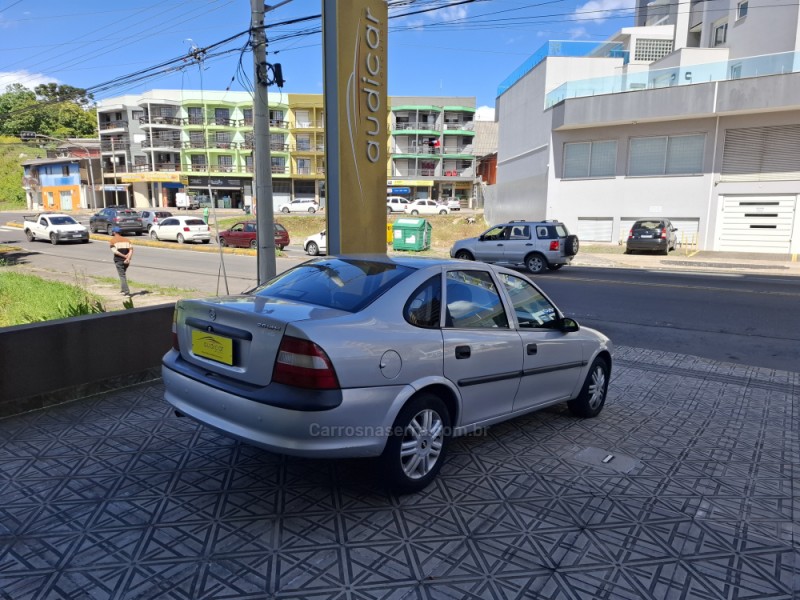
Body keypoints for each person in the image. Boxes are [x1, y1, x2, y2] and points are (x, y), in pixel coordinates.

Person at [109, 227, 133, 296]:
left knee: (122, 275)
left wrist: (124, 256)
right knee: (122, 275)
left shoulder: (112, 241)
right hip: (127, 261)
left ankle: (126, 292)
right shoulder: (127, 240)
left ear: (114, 232)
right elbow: (131, 250)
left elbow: (115, 252)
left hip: (118, 260)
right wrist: (128, 258)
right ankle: (122, 289)